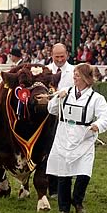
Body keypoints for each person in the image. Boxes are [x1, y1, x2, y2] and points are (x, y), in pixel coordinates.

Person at [46, 63, 107, 213]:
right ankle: (64, 209)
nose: (74, 77)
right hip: (64, 136)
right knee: (64, 174)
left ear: (86, 78)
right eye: (74, 74)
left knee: (84, 173)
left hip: (84, 139)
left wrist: (97, 125)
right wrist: (56, 99)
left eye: (77, 75)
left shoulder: (96, 98)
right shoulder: (66, 92)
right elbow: (51, 109)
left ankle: (77, 200)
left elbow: (106, 116)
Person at [47, 43, 74, 198]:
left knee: (64, 152)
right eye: (56, 56)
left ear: (67, 55)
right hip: (47, 117)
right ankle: (51, 187)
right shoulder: (45, 70)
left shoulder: (73, 72)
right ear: (52, 55)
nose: (59, 59)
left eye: (62, 56)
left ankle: (61, 187)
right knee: (49, 151)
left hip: (66, 117)